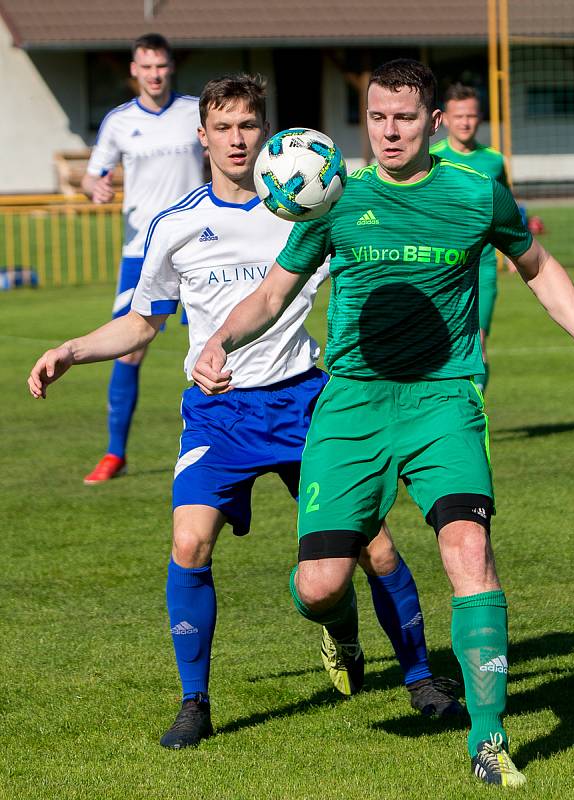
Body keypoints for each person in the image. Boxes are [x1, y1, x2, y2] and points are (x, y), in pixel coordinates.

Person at [192, 59, 574, 787]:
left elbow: (537, 264)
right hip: (353, 404)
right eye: (377, 117)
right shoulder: (332, 198)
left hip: (442, 400)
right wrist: (219, 341)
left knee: (467, 548)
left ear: (431, 123)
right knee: (319, 585)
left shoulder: (476, 193)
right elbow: (271, 294)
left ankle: (488, 742)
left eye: (402, 117)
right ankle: (340, 634)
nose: (389, 130)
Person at [28, 74, 464, 751]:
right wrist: (73, 348)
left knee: (374, 548)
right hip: (218, 416)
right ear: (201, 137)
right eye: (223, 127)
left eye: (248, 126)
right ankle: (195, 702)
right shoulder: (172, 226)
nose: (237, 139)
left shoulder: (310, 210)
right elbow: (143, 323)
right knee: (187, 542)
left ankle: (418, 678)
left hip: (306, 402)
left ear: (266, 134)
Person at [80, 33, 204, 485]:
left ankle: (230, 442)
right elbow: (93, 175)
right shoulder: (117, 121)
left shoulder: (195, 111)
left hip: (200, 245)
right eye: (146, 66)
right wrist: (94, 186)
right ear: (134, 70)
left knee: (216, 345)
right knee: (129, 351)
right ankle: (116, 453)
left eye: (161, 66)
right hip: (142, 253)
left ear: (171, 67)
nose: (154, 74)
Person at [430, 83, 508, 393]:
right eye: (459, 116)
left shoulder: (494, 161)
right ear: (445, 119)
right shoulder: (429, 158)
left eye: (472, 116)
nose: (465, 122)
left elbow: (507, 209)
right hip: (440, 266)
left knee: (479, 342)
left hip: (483, 265)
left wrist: (517, 253)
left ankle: (476, 410)